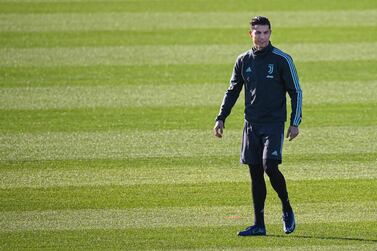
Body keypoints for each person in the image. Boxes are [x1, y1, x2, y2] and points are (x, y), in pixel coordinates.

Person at [213, 16, 302, 236]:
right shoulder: (243, 60)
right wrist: (221, 117)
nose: (261, 37)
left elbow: (296, 92)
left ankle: (286, 207)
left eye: (265, 32)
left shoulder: (282, 59)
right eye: (257, 33)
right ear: (250, 34)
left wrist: (295, 122)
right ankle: (259, 225)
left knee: (269, 166)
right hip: (251, 125)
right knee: (255, 173)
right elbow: (232, 90)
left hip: (273, 124)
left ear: (270, 33)